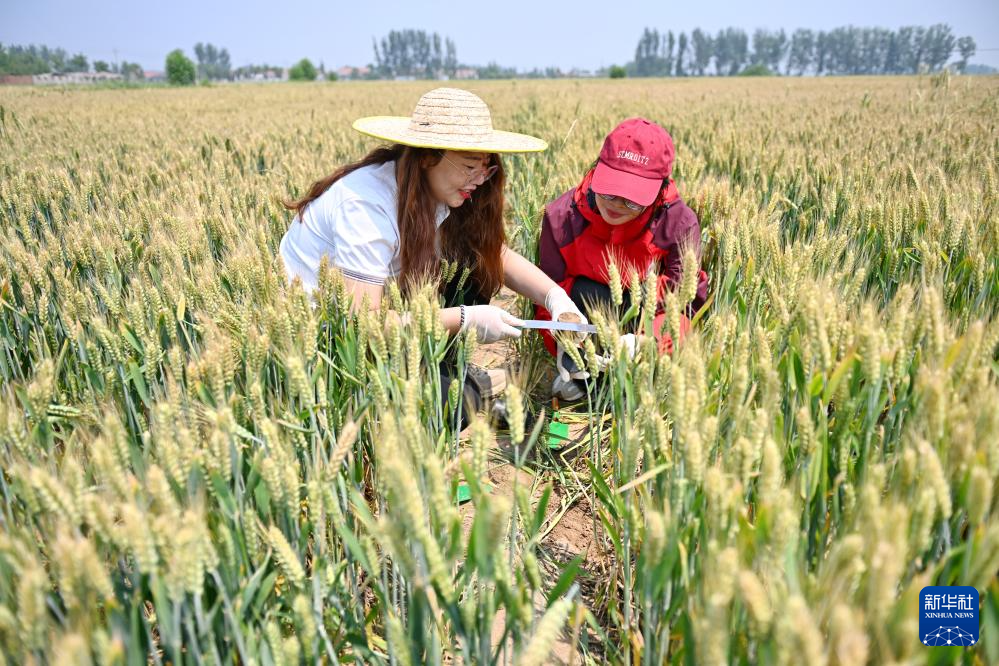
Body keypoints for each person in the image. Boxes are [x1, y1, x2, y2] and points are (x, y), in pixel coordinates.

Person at [278, 87, 587, 421]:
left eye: (486, 168)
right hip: (325, 349)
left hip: (377, 330)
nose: (479, 180)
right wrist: (465, 319)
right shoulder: (365, 207)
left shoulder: (432, 187)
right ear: (427, 157)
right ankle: (455, 385)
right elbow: (363, 324)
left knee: (472, 265)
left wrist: (556, 299)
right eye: (470, 166)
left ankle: (450, 374)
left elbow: (494, 255)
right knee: (450, 407)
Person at [535, 117, 709, 400]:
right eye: (609, 191)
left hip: (645, 323)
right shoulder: (560, 217)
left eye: (632, 199)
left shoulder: (678, 224)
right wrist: (562, 341)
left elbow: (684, 304)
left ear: (660, 190)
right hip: (584, 327)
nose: (617, 205)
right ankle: (585, 379)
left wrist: (650, 343)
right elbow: (547, 293)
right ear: (596, 170)